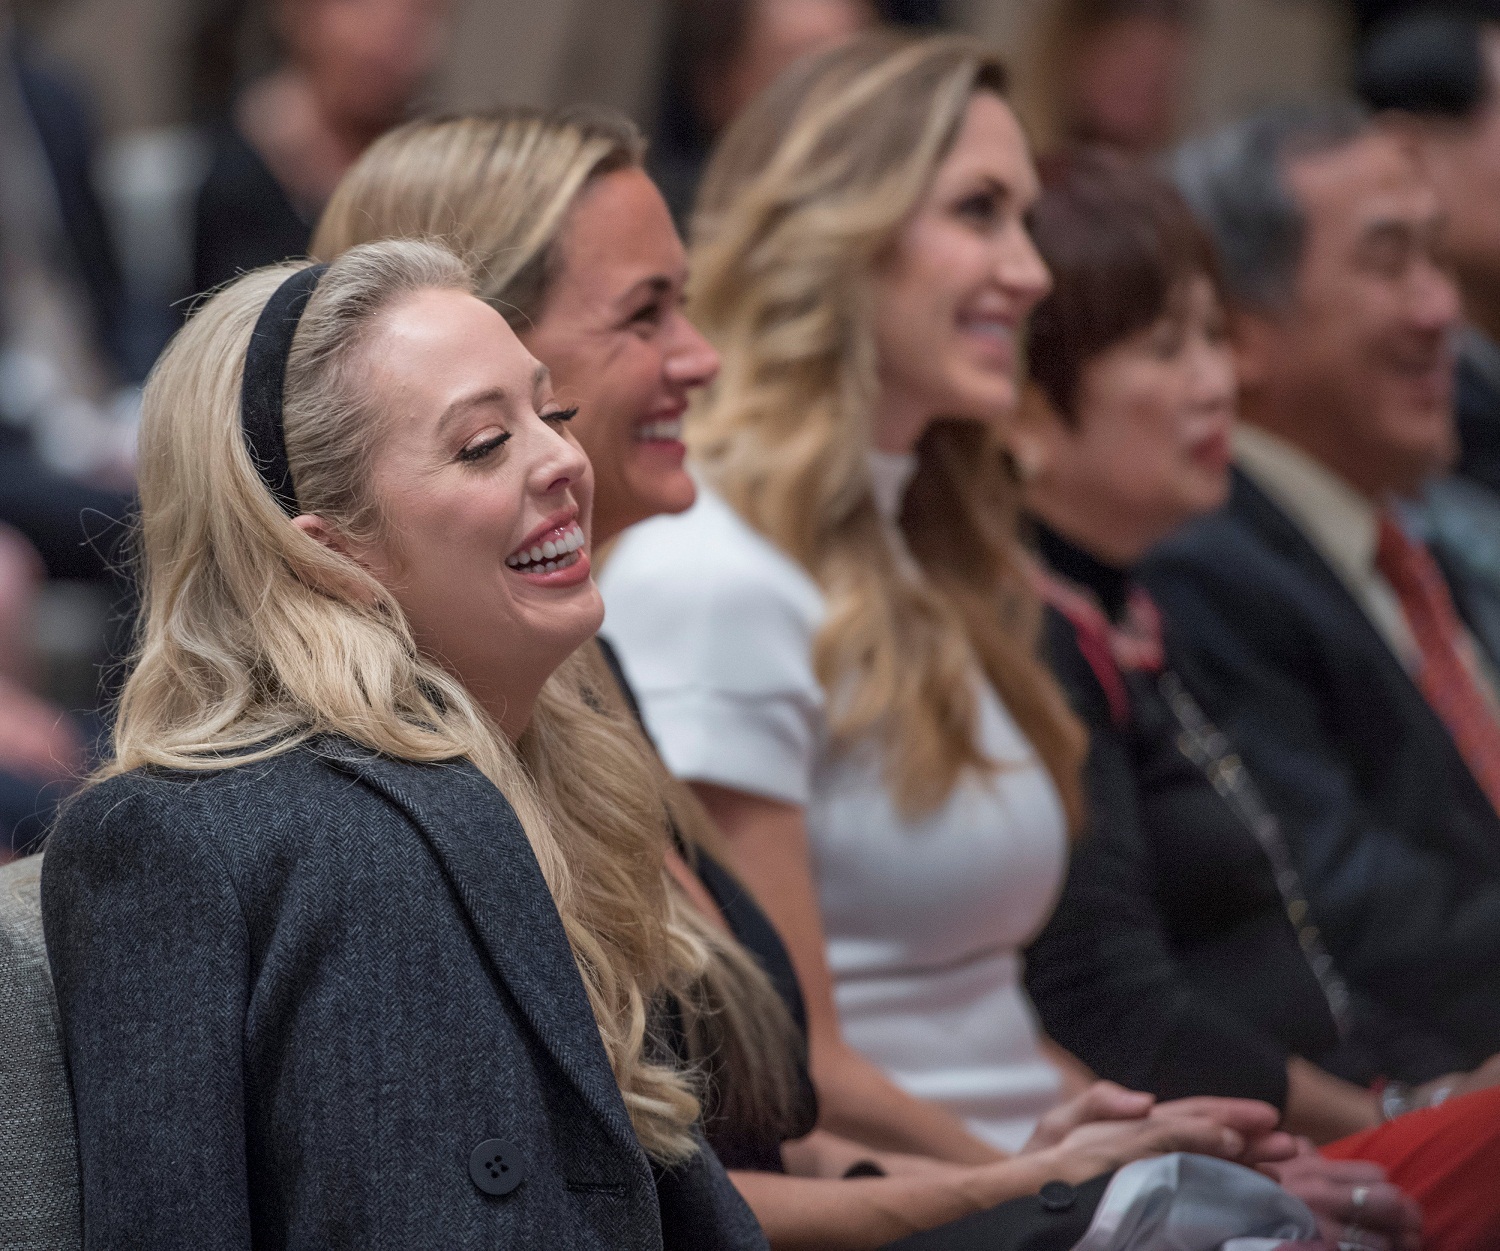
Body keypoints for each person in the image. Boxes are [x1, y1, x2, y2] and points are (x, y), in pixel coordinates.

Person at [310, 105, 1296, 1251]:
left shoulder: (585, 665)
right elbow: (654, 1188)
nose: (701, 356)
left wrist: (1053, 1178)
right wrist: (1035, 1192)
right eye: (646, 314)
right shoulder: (400, 792)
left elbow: (759, 1122)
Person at [597, 32, 1411, 1249]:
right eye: (980, 214)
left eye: (1025, 218)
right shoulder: (715, 573)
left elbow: (977, 1008)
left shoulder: (931, 552)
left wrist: (1148, 1146)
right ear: (841, 228)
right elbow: (793, 1073)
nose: (1029, 273)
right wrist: (1078, 1186)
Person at [40, 239, 770, 1248]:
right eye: (483, 445)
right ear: (325, 554)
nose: (563, 457)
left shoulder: (565, 773)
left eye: (549, 414)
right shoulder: (178, 837)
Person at [1013, 146, 1500, 1251]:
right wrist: (1400, 1111)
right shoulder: (1058, 626)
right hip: (1203, 1154)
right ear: (1024, 407)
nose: (1214, 384)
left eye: (1212, 340)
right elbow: (1113, 1001)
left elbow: (1286, 941)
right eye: (1167, 346)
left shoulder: (1123, 608)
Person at [1141, 103, 1500, 1090]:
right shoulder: (1197, 563)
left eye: (1439, 260)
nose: (1442, 311)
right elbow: (1356, 911)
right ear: (1242, 331)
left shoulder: (1395, 542)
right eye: (1391, 262)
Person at [192, 0, 450, 297]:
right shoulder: (237, 174)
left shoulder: (436, 165)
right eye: (363, 8)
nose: (389, 32)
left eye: (417, 15)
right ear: (297, 15)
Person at [650, 0, 876, 225]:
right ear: (717, 82)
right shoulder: (665, 224)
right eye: (807, 62)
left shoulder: (885, 214)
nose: (850, 89)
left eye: (858, 60)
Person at [1013, 0, 1197, 158]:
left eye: (1157, 85)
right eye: (1123, 50)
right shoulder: (1019, 159)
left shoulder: (1171, 181)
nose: (1140, 76)